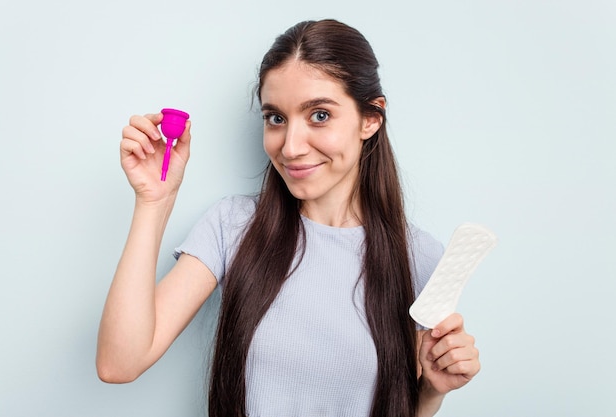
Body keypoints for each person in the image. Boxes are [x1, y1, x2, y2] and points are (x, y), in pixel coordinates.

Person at [97, 19, 480, 417]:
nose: (291, 147)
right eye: (276, 118)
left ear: (371, 118)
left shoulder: (419, 257)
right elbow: (119, 364)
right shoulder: (234, 226)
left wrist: (432, 393)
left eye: (319, 115)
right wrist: (154, 201)